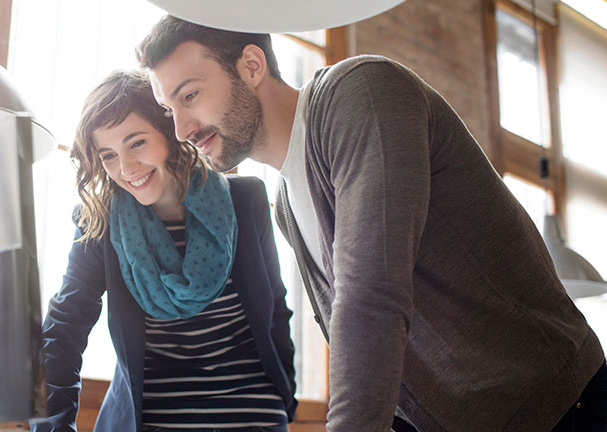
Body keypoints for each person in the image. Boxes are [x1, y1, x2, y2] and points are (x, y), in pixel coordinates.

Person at [136, 15, 607, 432]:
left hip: (563, 407)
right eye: (169, 109)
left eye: (190, 95)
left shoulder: (360, 92)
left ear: (252, 66)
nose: (181, 130)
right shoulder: (286, 205)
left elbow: (372, 294)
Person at [33, 70, 297, 432]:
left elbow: (275, 306)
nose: (126, 169)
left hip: (252, 415)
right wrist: (53, 427)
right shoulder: (100, 223)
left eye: (137, 143)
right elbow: (63, 330)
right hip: (149, 420)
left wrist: (287, 396)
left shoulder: (245, 200)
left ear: (169, 130)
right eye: (108, 155)